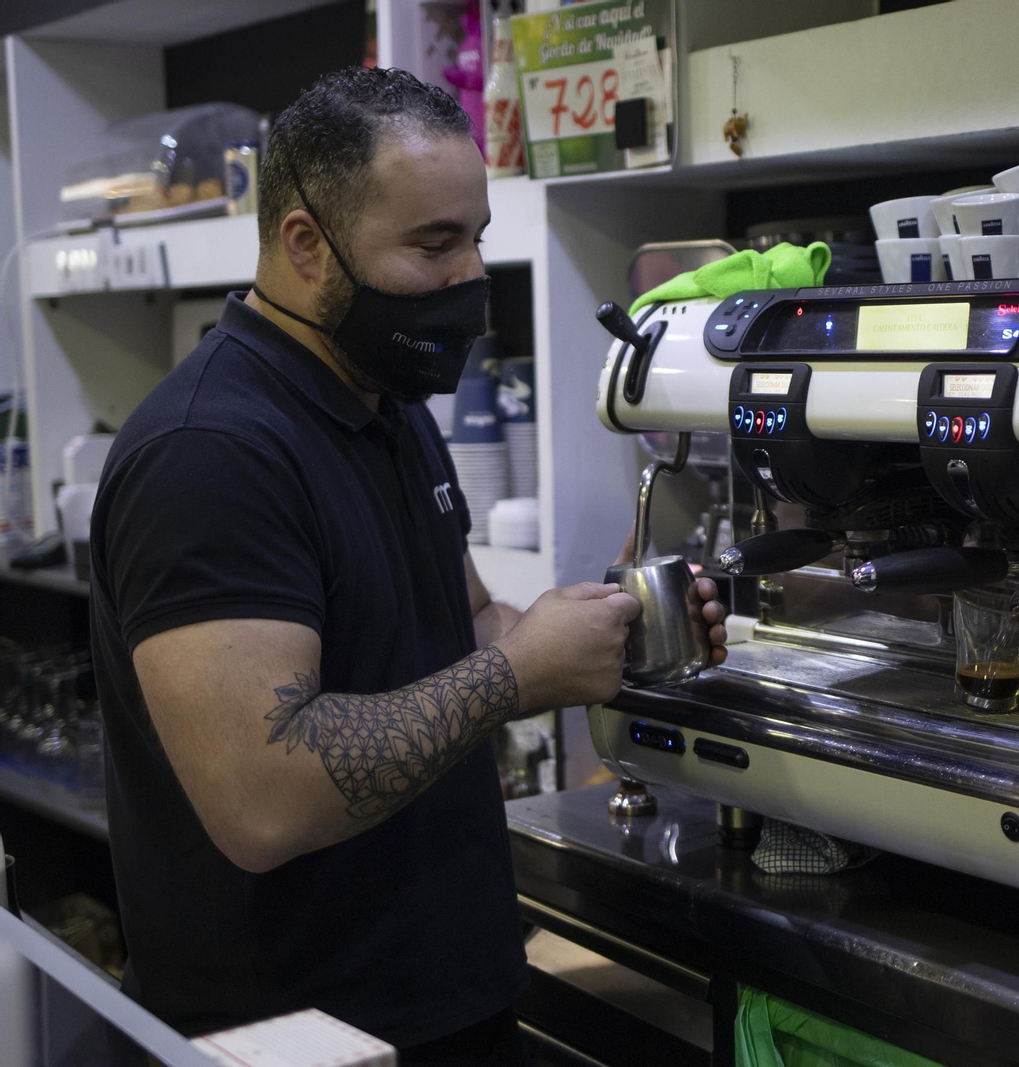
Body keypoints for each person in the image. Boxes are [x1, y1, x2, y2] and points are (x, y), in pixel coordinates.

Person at [88, 66, 727, 1064]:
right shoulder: (210, 452)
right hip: (293, 1038)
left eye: (476, 238)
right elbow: (262, 794)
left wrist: (601, 629)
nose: (470, 278)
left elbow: (459, 624)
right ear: (307, 244)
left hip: (451, 1000)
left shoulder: (386, 405)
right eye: (434, 245)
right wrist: (519, 675)